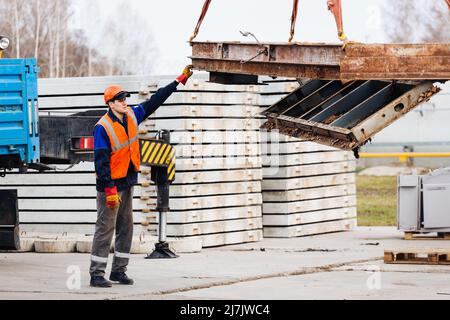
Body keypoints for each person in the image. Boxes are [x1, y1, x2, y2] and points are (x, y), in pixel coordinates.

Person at [89, 65, 194, 288]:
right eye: (119, 100)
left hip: (127, 182)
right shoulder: (102, 127)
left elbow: (156, 100)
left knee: (126, 227)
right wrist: (108, 191)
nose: (124, 102)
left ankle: (119, 271)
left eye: (125, 98)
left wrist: (179, 80)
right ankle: (97, 274)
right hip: (110, 186)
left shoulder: (132, 116)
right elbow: (101, 162)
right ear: (110, 103)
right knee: (105, 228)